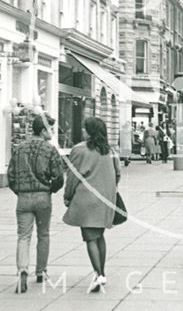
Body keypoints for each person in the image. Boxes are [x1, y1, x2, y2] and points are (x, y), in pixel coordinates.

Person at [63, 117, 121, 293]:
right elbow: (118, 174)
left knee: (90, 237)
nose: (82, 131)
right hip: (105, 198)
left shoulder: (80, 150)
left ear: (90, 131)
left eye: (84, 128)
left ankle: (99, 274)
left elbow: (73, 176)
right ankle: (101, 273)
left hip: (86, 199)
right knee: (99, 235)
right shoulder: (110, 151)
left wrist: (67, 196)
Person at [7, 114, 64, 293]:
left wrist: (19, 190)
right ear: (42, 130)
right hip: (42, 197)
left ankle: (22, 270)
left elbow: (10, 175)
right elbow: (58, 177)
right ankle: (41, 271)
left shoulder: (19, 148)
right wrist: (50, 189)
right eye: (51, 129)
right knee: (43, 234)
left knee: (23, 236)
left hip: (23, 197)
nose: (52, 132)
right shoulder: (50, 150)